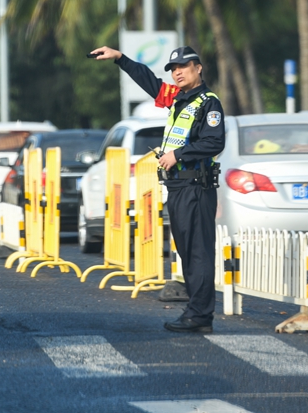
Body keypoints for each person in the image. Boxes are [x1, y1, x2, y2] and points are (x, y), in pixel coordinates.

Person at [90, 45, 226, 333]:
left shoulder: (208, 103)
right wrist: (120, 59)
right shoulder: (178, 98)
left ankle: (201, 315)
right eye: (173, 68)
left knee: (198, 252)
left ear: (198, 68)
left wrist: (178, 155)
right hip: (179, 187)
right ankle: (196, 312)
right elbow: (150, 82)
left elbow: (215, 142)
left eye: (183, 66)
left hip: (196, 186)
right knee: (187, 251)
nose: (177, 72)